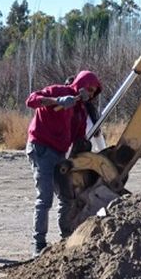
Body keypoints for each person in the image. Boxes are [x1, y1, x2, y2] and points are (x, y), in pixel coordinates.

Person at [25, 70, 103, 256]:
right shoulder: (57, 91)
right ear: (80, 84)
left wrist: (84, 149)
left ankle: (66, 238)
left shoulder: (80, 112)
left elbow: (77, 137)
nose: (90, 93)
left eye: (93, 92)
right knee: (44, 198)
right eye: (89, 88)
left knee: (67, 197)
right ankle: (39, 244)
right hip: (41, 147)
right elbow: (32, 100)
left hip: (60, 153)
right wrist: (57, 102)